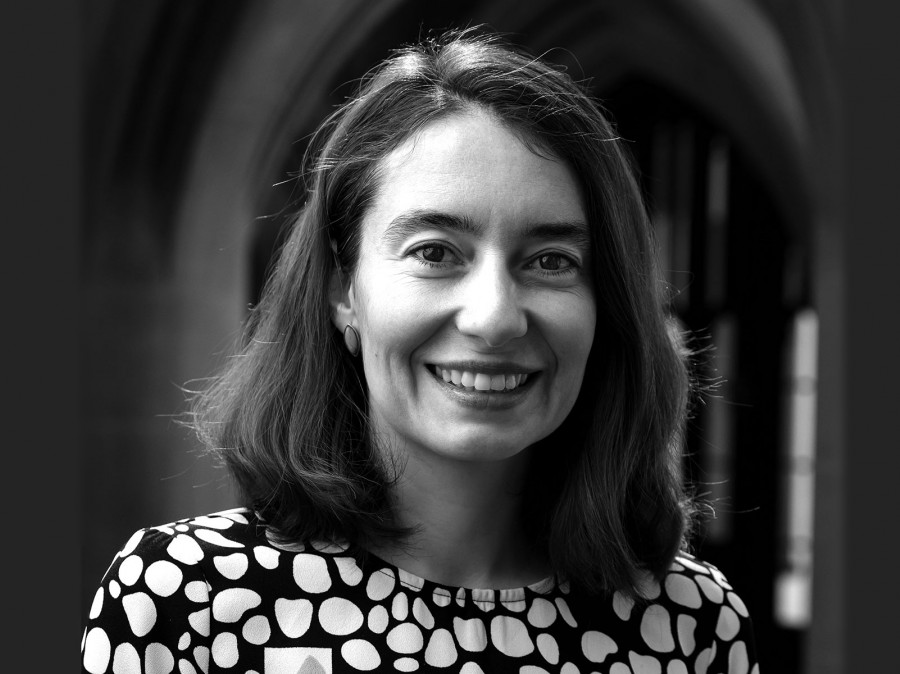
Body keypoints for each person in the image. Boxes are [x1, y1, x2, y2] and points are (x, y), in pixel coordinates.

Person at [81, 29, 758, 674]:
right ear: (342, 289)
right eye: (434, 253)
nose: (494, 317)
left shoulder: (691, 627)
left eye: (551, 261)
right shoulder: (185, 606)